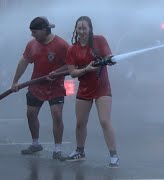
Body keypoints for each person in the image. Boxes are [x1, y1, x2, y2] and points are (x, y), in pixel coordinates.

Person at [11, 16, 69, 160]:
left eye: (34, 32)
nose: (32, 35)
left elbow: (71, 65)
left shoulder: (61, 45)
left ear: (44, 30)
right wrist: (15, 81)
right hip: (36, 85)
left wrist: (56, 73)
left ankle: (57, 149)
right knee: (31, 114)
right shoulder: (32, 45)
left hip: (55, 86)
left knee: (57, 115)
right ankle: (35, 143)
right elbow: (23, 62)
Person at [64, 16, 119, 167]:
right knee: (80, 123)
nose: (81, 31)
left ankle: (114, 155)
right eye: (79, 28)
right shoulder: (72, 49)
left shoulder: (99, 40)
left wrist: (110, 59)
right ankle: (80, 151)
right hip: (84, 89)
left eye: (84, 28)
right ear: (76, 29)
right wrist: (87, 69)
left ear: (90, 29)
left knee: (104, 121)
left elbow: (109, 56)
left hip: (102, 88)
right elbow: (73, 73)